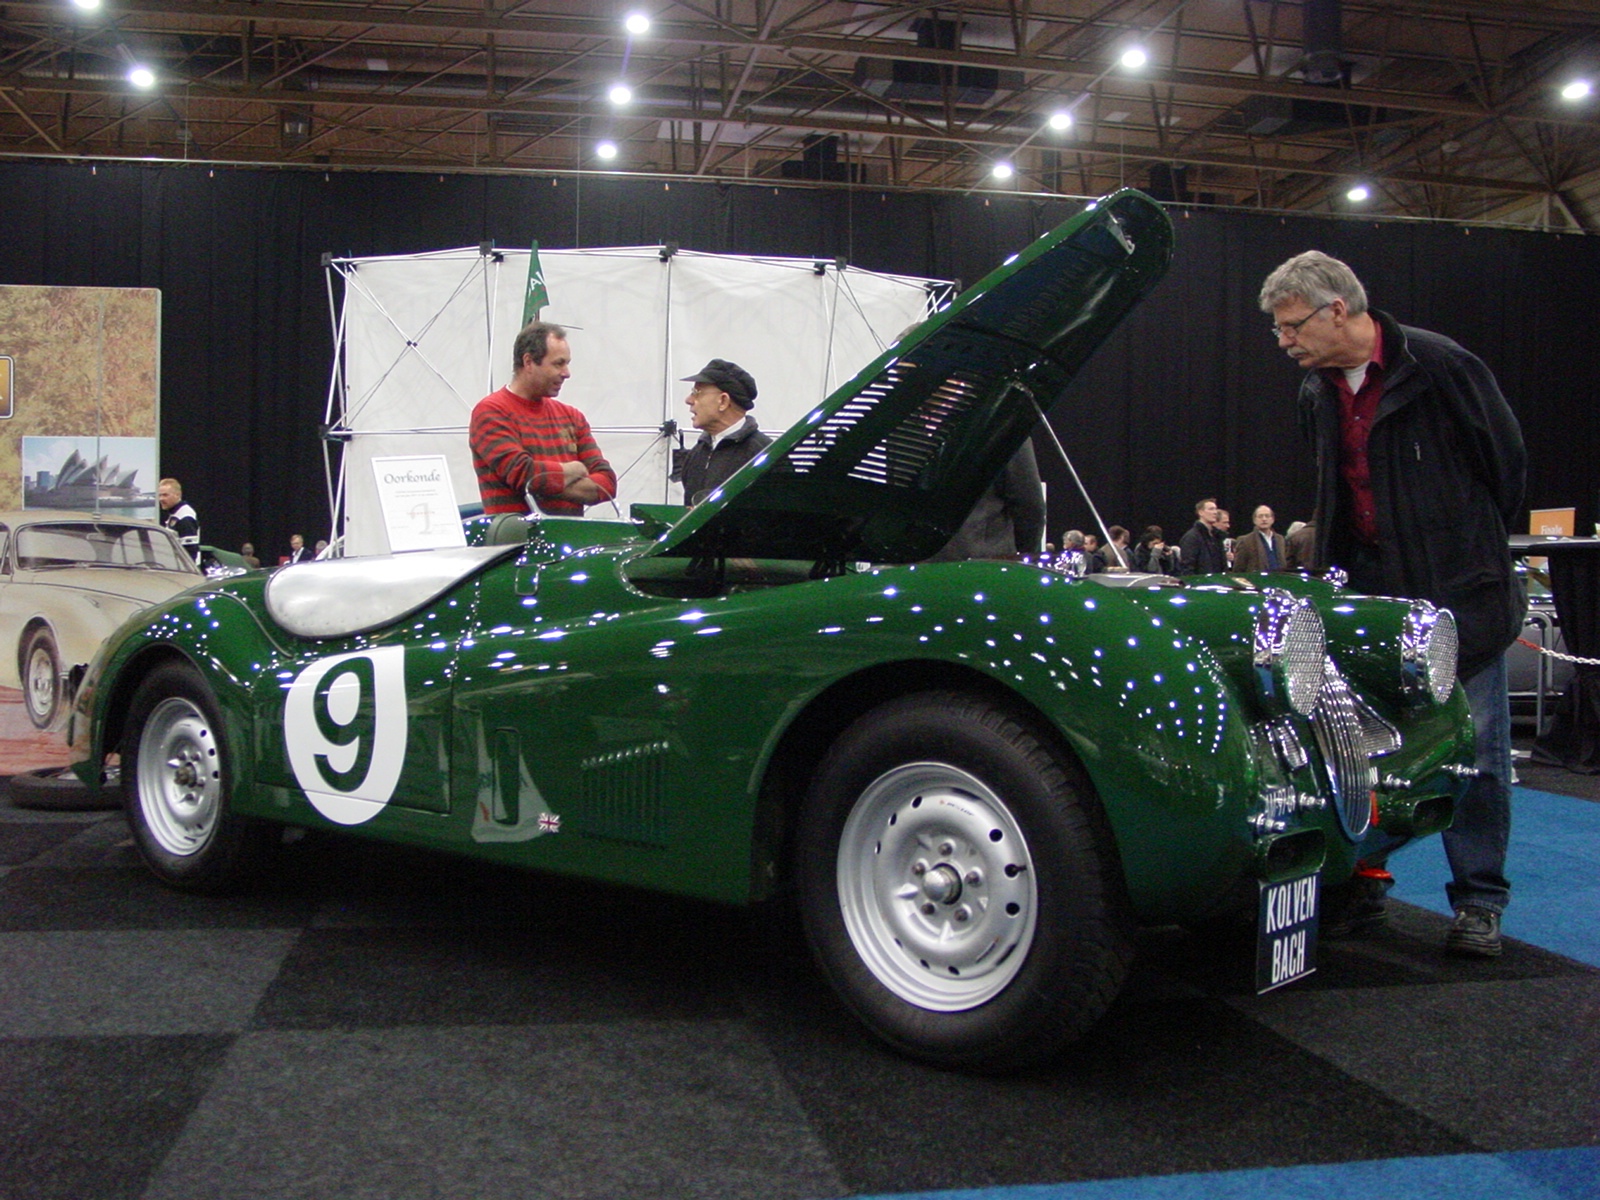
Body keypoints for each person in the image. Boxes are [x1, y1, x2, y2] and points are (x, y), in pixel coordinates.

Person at [1260, 249, 1526, 957]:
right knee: (1364, 750)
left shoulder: (1443, 368)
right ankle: (1363, 883)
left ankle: (1478, 901)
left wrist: (1459, 548)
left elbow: (1507, 469)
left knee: (1478, 756)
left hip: (1460, 596)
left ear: (1337, 310)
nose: (1284, 341)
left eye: (1291, 327)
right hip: (1369, 597)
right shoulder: (1316, 393)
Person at [470, 320, 617, 516]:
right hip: (518, 543)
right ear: (529, 362)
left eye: (567, 363)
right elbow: (524, 474)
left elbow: (608, 482)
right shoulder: (491, 411)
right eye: (558, 364)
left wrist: (546, 485)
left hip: (570, 540)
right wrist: (575, 470)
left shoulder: (572, 417)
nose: (567, 373)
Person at [926, 442, 1046, 562]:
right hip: (980, 564)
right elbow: (1031, 509)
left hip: (980, 565)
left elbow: (1030, 510)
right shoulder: (1002, 430)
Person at [675, 359, 773, 505]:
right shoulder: (697, 453)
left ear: (723, 401)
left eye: (696, 393)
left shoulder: (765, 454)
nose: (688, 400)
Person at [1231, 505, 1288, 572]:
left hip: (1279, 578)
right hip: (1257, 580)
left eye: (1267, 516)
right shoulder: (1246, 540)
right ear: (1254, 520)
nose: (1264, 519)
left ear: (1272, 519)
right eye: (1260, 516)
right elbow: (1238, 568)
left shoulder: (1280, 539)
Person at [1177, 498, 1227, 574]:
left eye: (1215, 509)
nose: (1215, 512)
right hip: (1201, 583)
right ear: (1201, 512)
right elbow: (1187, 567)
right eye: (1211, 509)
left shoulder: (1216, 536)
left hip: (1218, 582)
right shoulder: (1192, 537)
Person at [157, 477, 200, 561]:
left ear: (178, 495)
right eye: (160, 495)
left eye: (165, 495)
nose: (161, 499)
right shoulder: (175, 513)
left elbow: (190, 551)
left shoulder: (184, 517)